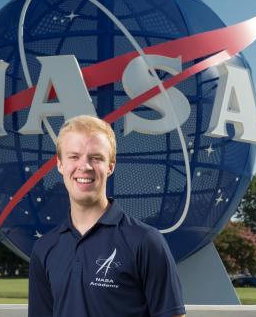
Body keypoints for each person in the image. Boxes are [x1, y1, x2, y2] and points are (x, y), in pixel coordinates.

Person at [28, 115, 186, 317]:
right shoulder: (44, 248)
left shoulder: (145, 241)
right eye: (74, 156)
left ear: (110, 166)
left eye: (96, 158)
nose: (84, 166)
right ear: (60, 164)